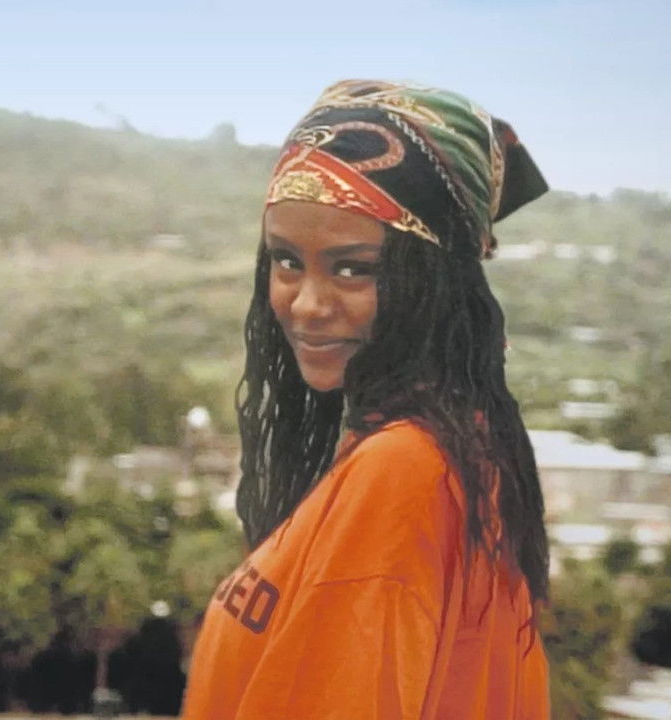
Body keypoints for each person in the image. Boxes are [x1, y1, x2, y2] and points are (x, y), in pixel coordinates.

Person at [180, 80, 552, 719]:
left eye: (354, 268)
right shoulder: (448, 451)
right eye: (286, 261)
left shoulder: (404, 472)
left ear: (431, 280)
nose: (306, 304)